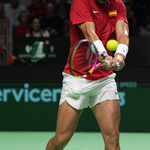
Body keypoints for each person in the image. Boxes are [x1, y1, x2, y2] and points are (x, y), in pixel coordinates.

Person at [46, 0, 129, 149]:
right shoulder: (81, 2)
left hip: (104, 80)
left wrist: (119, 57)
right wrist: (104, 55)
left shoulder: (118, 5)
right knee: (61, 139)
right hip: (78, 79)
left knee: (113, 138)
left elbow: (123, 33)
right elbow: (89, 33)